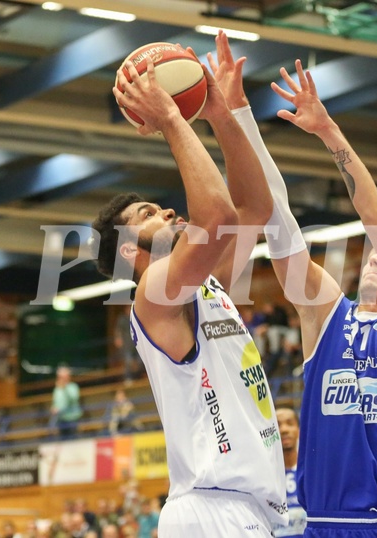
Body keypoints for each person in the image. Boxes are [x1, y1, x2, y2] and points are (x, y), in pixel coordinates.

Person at [209, 35, 377, 536]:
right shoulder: (325, 315)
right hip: (324, 524)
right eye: (371, 258)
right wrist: (238, 116)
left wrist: (330, 133)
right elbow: (280, 225)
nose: (375, 261)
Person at [91, 44, 286, 536]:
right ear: (131, 253)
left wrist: (219, 112)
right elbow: (218, 217)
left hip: (240, 506)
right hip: (211, 505)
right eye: (149, 216)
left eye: (160, 206)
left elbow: (255, 207)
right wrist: (173, 119)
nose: (168, 212)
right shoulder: (154, 292)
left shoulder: (206, 283)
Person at [273, 407, 307, 537]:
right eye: (277, 424)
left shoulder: (312, 475)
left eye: (290, 423)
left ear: (299, 430)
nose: (284, 430)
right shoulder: (263, 478)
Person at [50, 365, 82, 439]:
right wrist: (53, 408)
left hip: (72, 419)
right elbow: (55, 403)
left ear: (68, 376)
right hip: (61, 420)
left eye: (62, 377)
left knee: (73, 441)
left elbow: (73, 399)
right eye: (59, 377)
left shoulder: (73, 387)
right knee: (63, 442)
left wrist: (64, 388)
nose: (60, 379)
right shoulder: (57, 389)